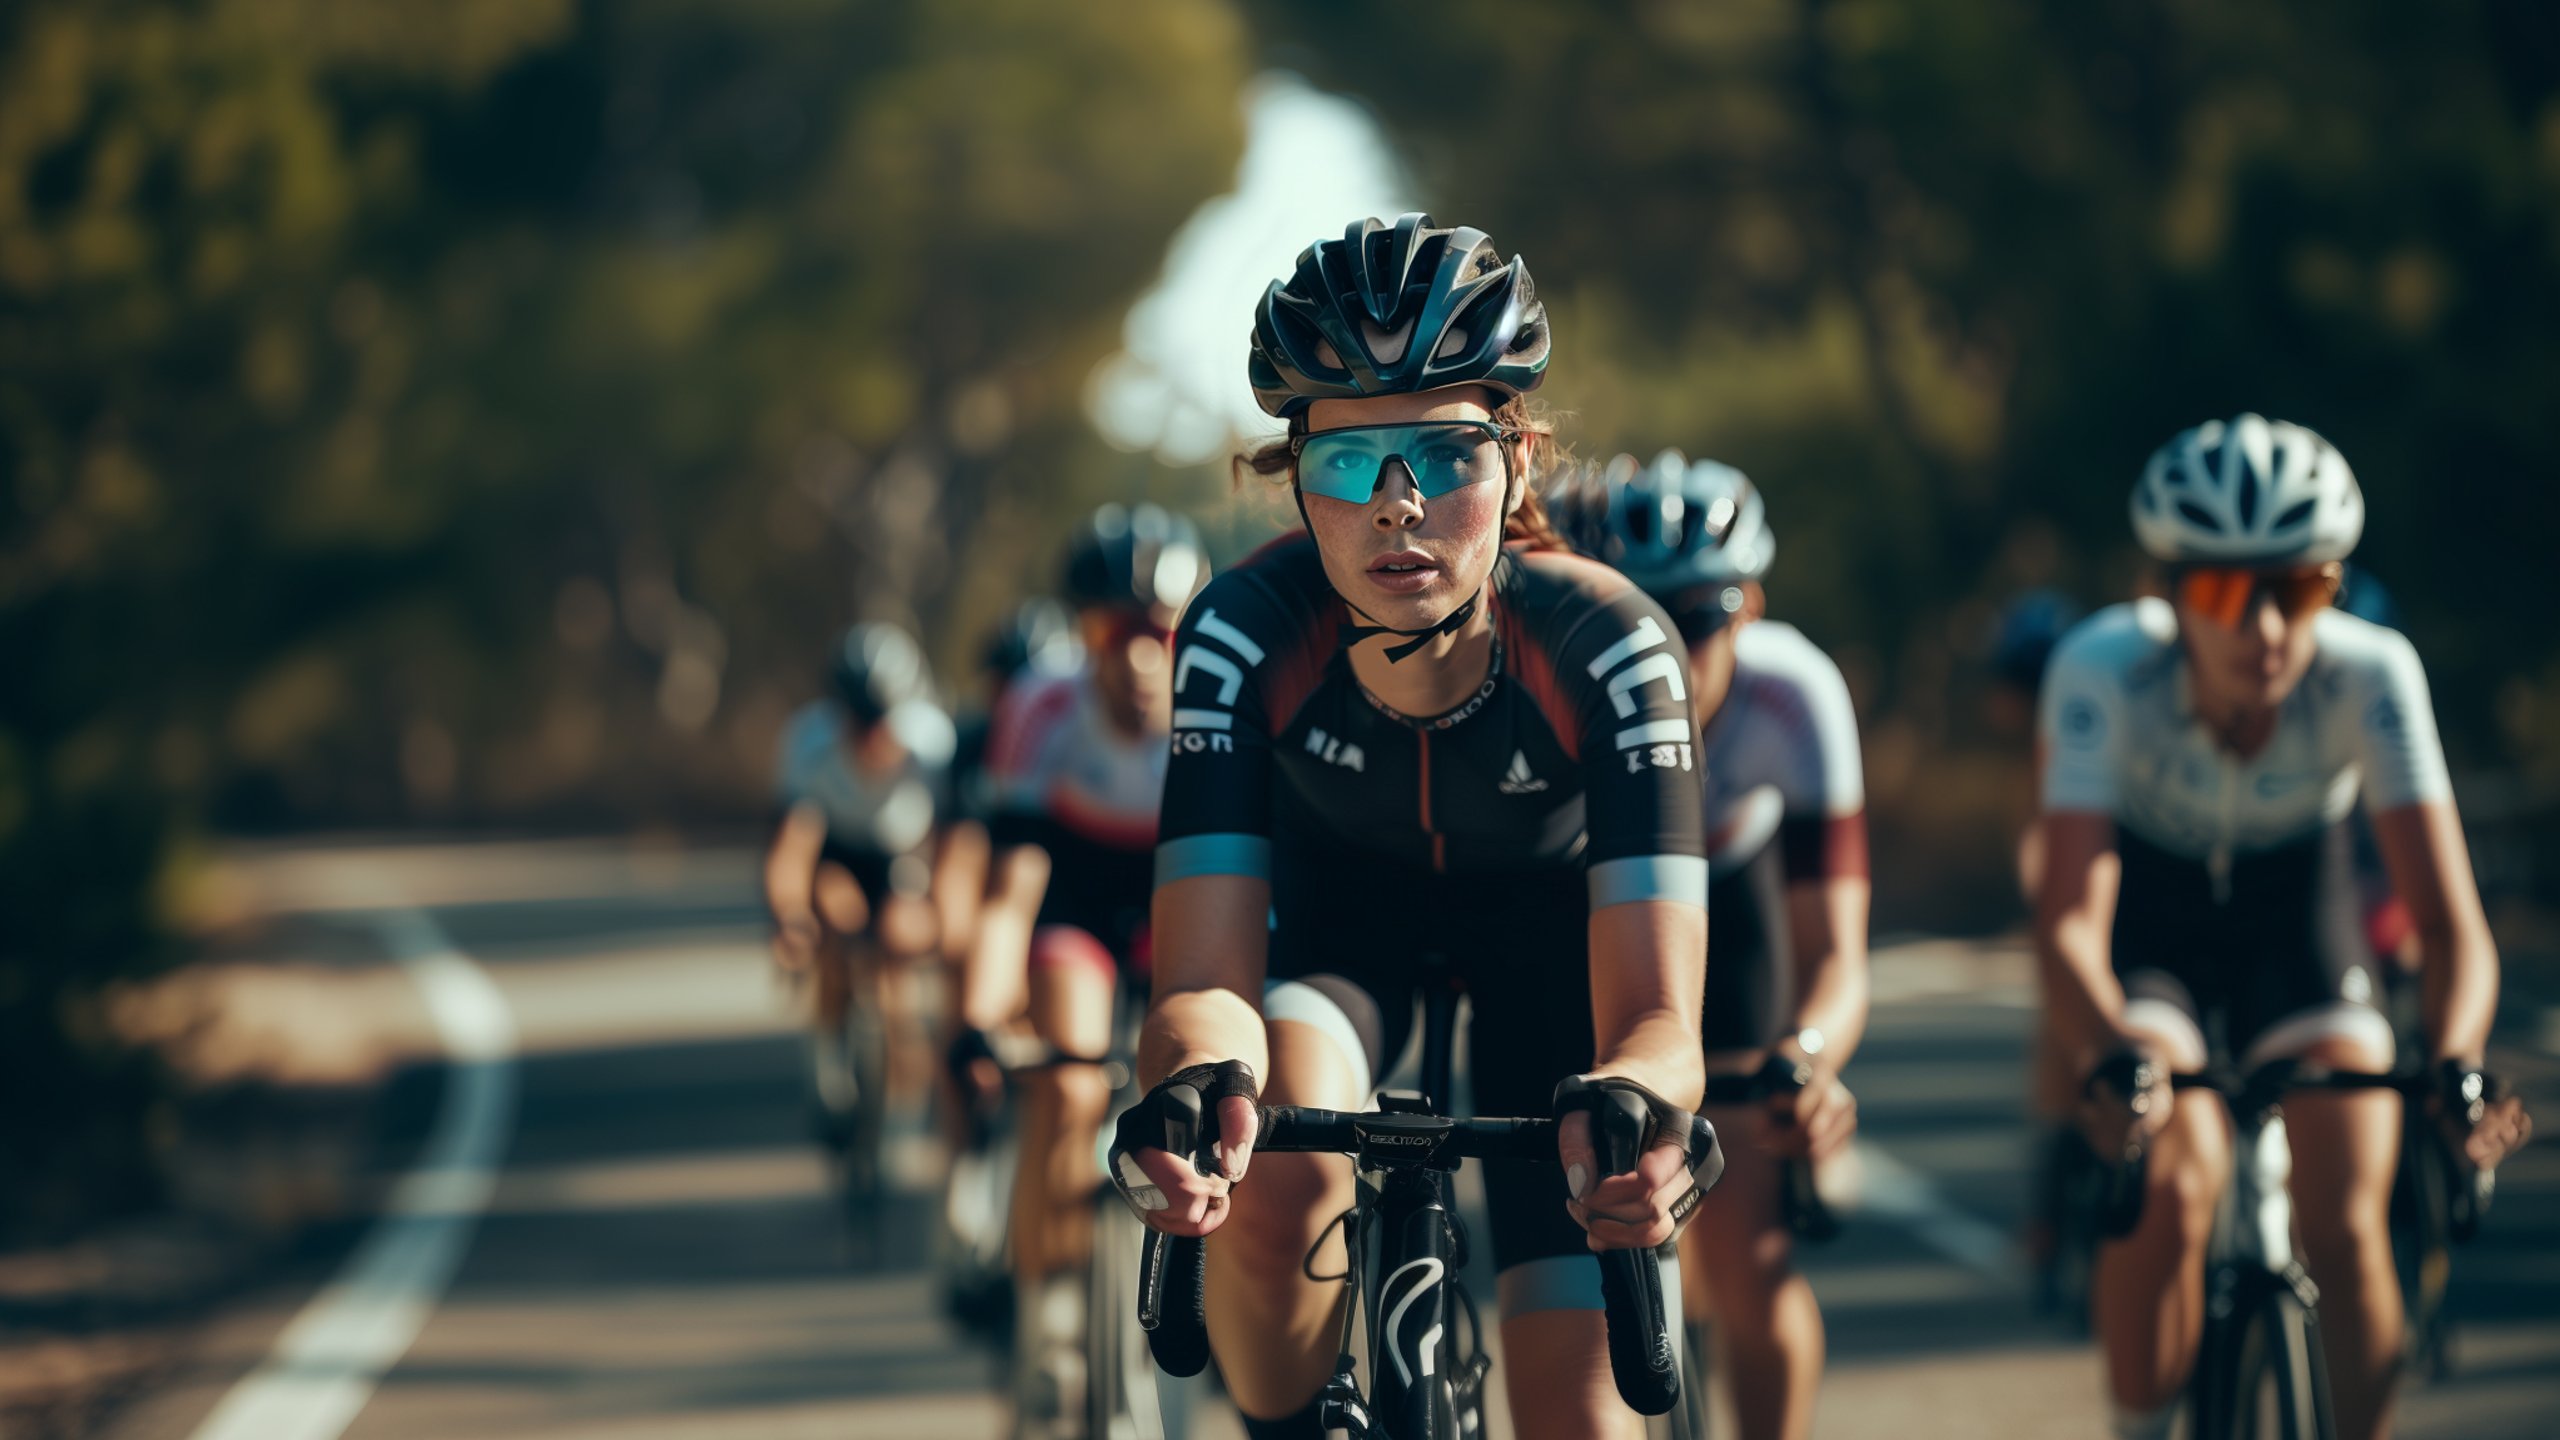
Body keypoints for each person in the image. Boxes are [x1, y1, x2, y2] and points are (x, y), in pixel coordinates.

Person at [1109, 213, 1715, 1438]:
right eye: (1347, 463)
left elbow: (1655, 1020)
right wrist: (1190, 1086)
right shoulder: (1237, 631)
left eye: (1443, 456)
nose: (1398, 508)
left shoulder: (1612, 647)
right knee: (1273, 1165)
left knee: (1582, 1421)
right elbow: (1205, 984)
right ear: (1292, 477)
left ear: (1519, 462)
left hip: (1556, 966)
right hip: (1346, 942)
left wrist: (1646, 1106)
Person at [2037, 413, 2532, 1440]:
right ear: (2166, 593)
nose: (2263, 628)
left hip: (2299, 921)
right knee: (2172, 1178)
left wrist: (2456, 1061)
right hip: (2154, 931)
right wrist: (2109, 1049)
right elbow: (2069, 924)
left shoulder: (2371, 671)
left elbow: (2450, 928)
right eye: (2222, 591)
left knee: (2349, 1210)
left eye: (2298, 589)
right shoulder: (2097, 669)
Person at [1559, 450, 1869, 1440]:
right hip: (1587, 912)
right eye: (1638, 613)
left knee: (1750, 1254)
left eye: (1698, 617)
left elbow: (1836, 952)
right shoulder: (1559, 681)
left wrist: (1807, 1060)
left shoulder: (1795, 696)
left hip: (1733, 910)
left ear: (1751, 608)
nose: (1670, 647)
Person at [946, 504, 1208, 1428]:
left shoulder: (1214, 700)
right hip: (1077, 906)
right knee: (1064, 1061)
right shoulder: (1041, 709)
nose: (1136, 659)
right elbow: (1010, 893)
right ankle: (1046, 1298)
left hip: (1181, 902)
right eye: (1110, 632)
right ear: (1081, 633)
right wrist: (976, 1021)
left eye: (1157, 634)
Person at [764, 622, 970, 1189]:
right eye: (860, 721)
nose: (872, 737)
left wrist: (935, 914)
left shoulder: (933, 745)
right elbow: (792, 849)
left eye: (883, 721)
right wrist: (791, 918)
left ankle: (897, 1111)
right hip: (834, 851)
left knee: (897, 960)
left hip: (900, 857)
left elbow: (951, 849)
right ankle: (828, 1046)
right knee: (833, 915)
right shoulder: (809, 742)